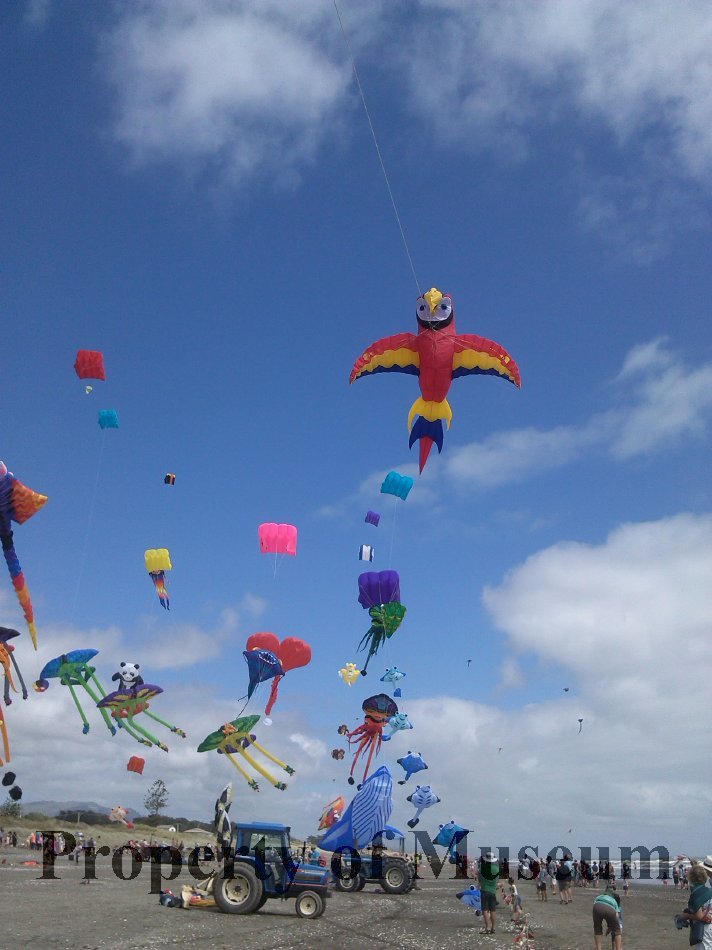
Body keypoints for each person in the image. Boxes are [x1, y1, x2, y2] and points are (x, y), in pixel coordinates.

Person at [680, 864, 712, 949]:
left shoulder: (697, 892)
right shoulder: (708, 890)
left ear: (690, 878)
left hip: (705, 928)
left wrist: (686, 915)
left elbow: (699, 916)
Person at [478, 851, 500, 936]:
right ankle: (493, 928)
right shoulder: (496, 869)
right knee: (493, 910)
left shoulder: (482, 868)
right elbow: (497, 881)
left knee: (485, 910)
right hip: (493, 891)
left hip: (484, 890)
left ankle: (488, 927)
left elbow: (479, 880)